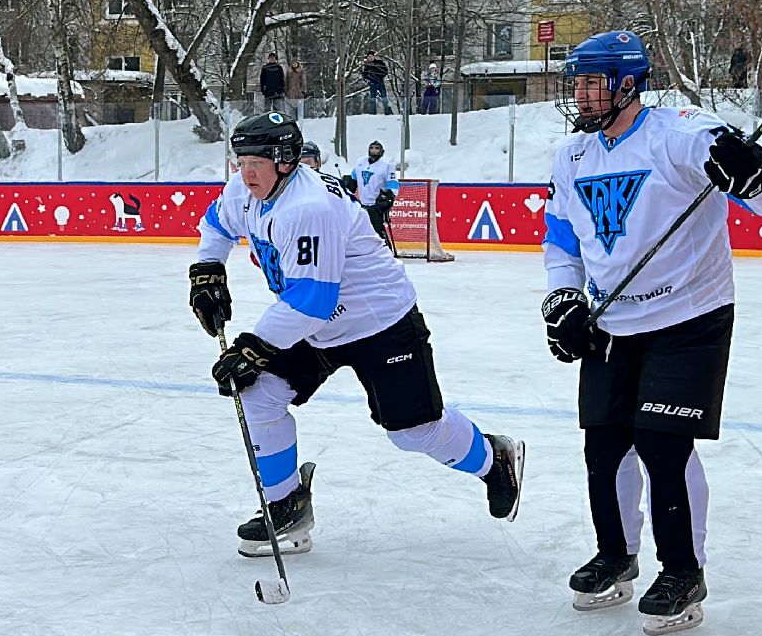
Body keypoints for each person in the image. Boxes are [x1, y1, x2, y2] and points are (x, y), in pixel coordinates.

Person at [538, 30, 762, 636]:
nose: (581, 93)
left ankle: (683, 569)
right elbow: (561, 240)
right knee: (604, 446)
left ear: (629, 83)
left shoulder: (679, 135)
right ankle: (616, 554)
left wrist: (754, 171)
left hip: (690, 318)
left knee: (662, 446)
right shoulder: (572, 156)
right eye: (576, 81)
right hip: (611, 323)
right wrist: (562, 298)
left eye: (592, 81)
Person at [188, 112, 523, 557]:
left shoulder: (308, 207)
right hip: (313, 325)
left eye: (258, 161)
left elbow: (312, 299)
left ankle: (493, 458)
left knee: (412, 431)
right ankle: (285, 505)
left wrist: (253, 345)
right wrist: (207, 271)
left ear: (286, 160)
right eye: (241, 159)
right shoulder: (244, 191)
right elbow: (215, 225)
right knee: (258, 393)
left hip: (378, 322)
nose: (247, 171)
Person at [342, 140, 399, 246]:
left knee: (378, 233)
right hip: (361, 205)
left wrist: (387, 199)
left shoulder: (387, 165)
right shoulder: (360, 162)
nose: (374, 150)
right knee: (358, 231)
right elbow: (353, 180)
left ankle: (386, 253)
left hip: (376, 205)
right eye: (372, 148)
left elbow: (393, 185)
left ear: (382, 151)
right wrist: (347, 191)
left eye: (377, 148)